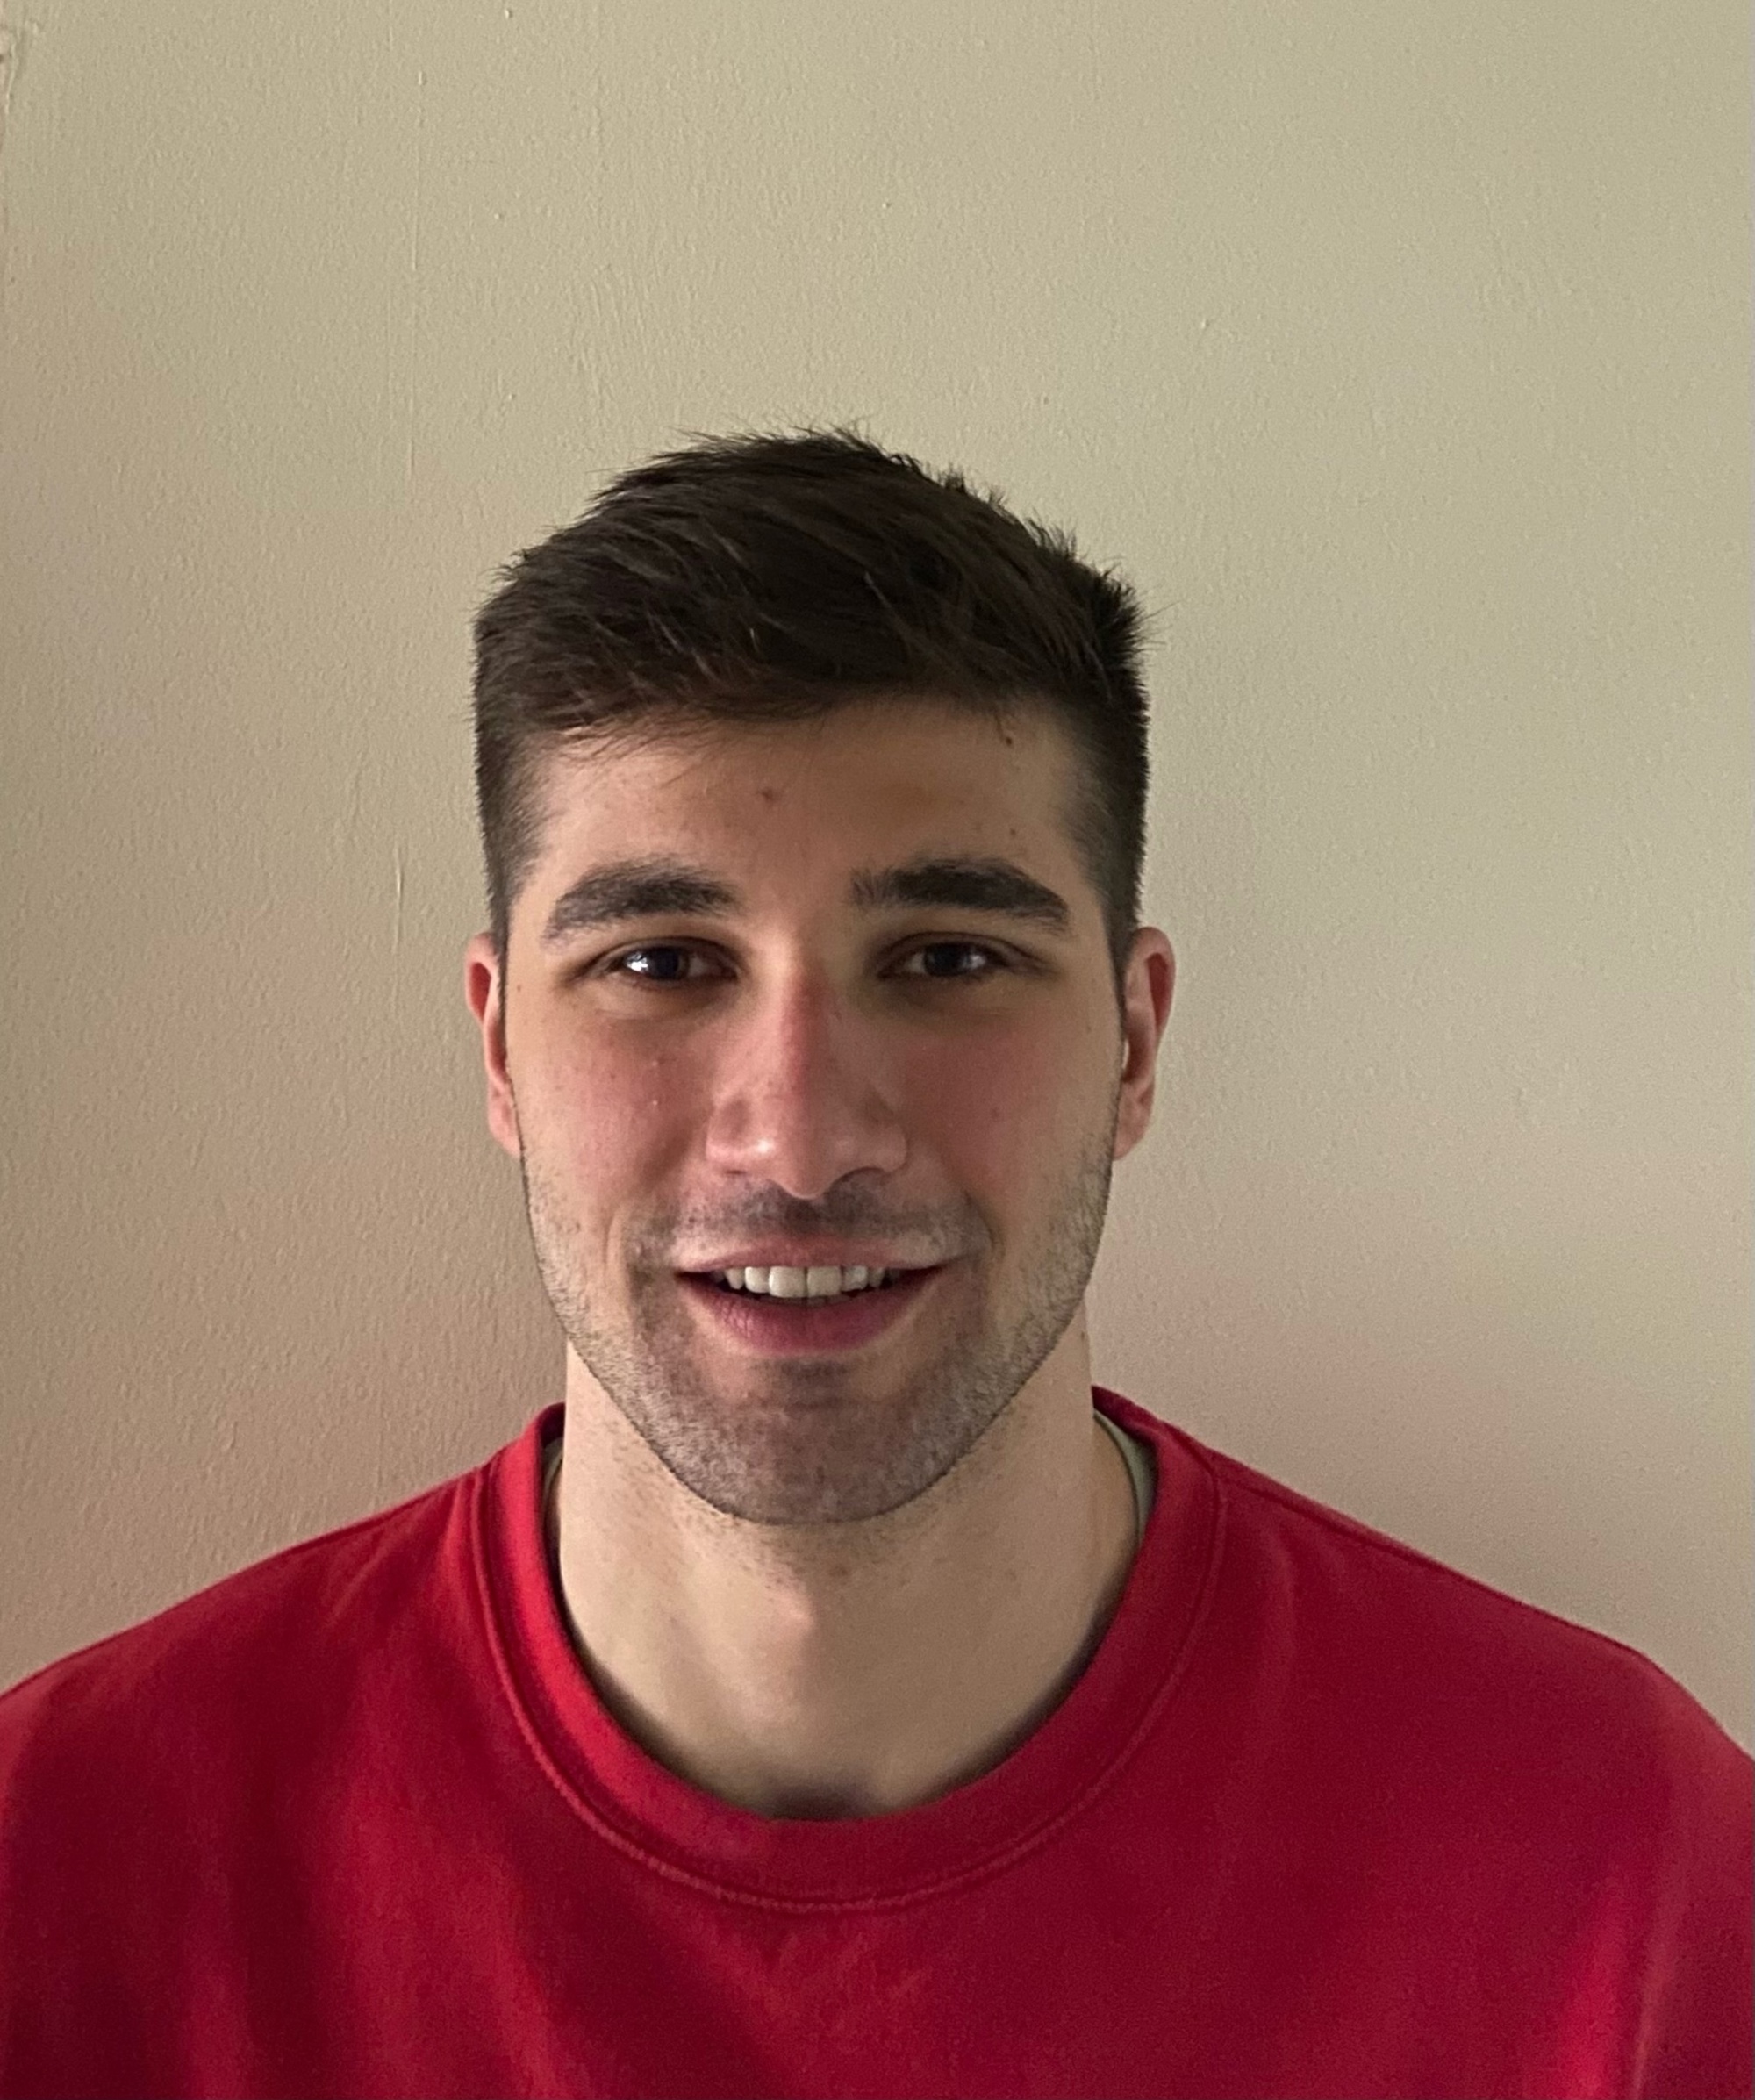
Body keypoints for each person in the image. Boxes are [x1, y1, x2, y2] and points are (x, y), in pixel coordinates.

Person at [0, 427, 1747, 2100]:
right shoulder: (65, 1881)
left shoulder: (1621, 1878)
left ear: (1135, 1042)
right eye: (663, 962)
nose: (802, 1138)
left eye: (947, 958)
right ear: (501, 1047)